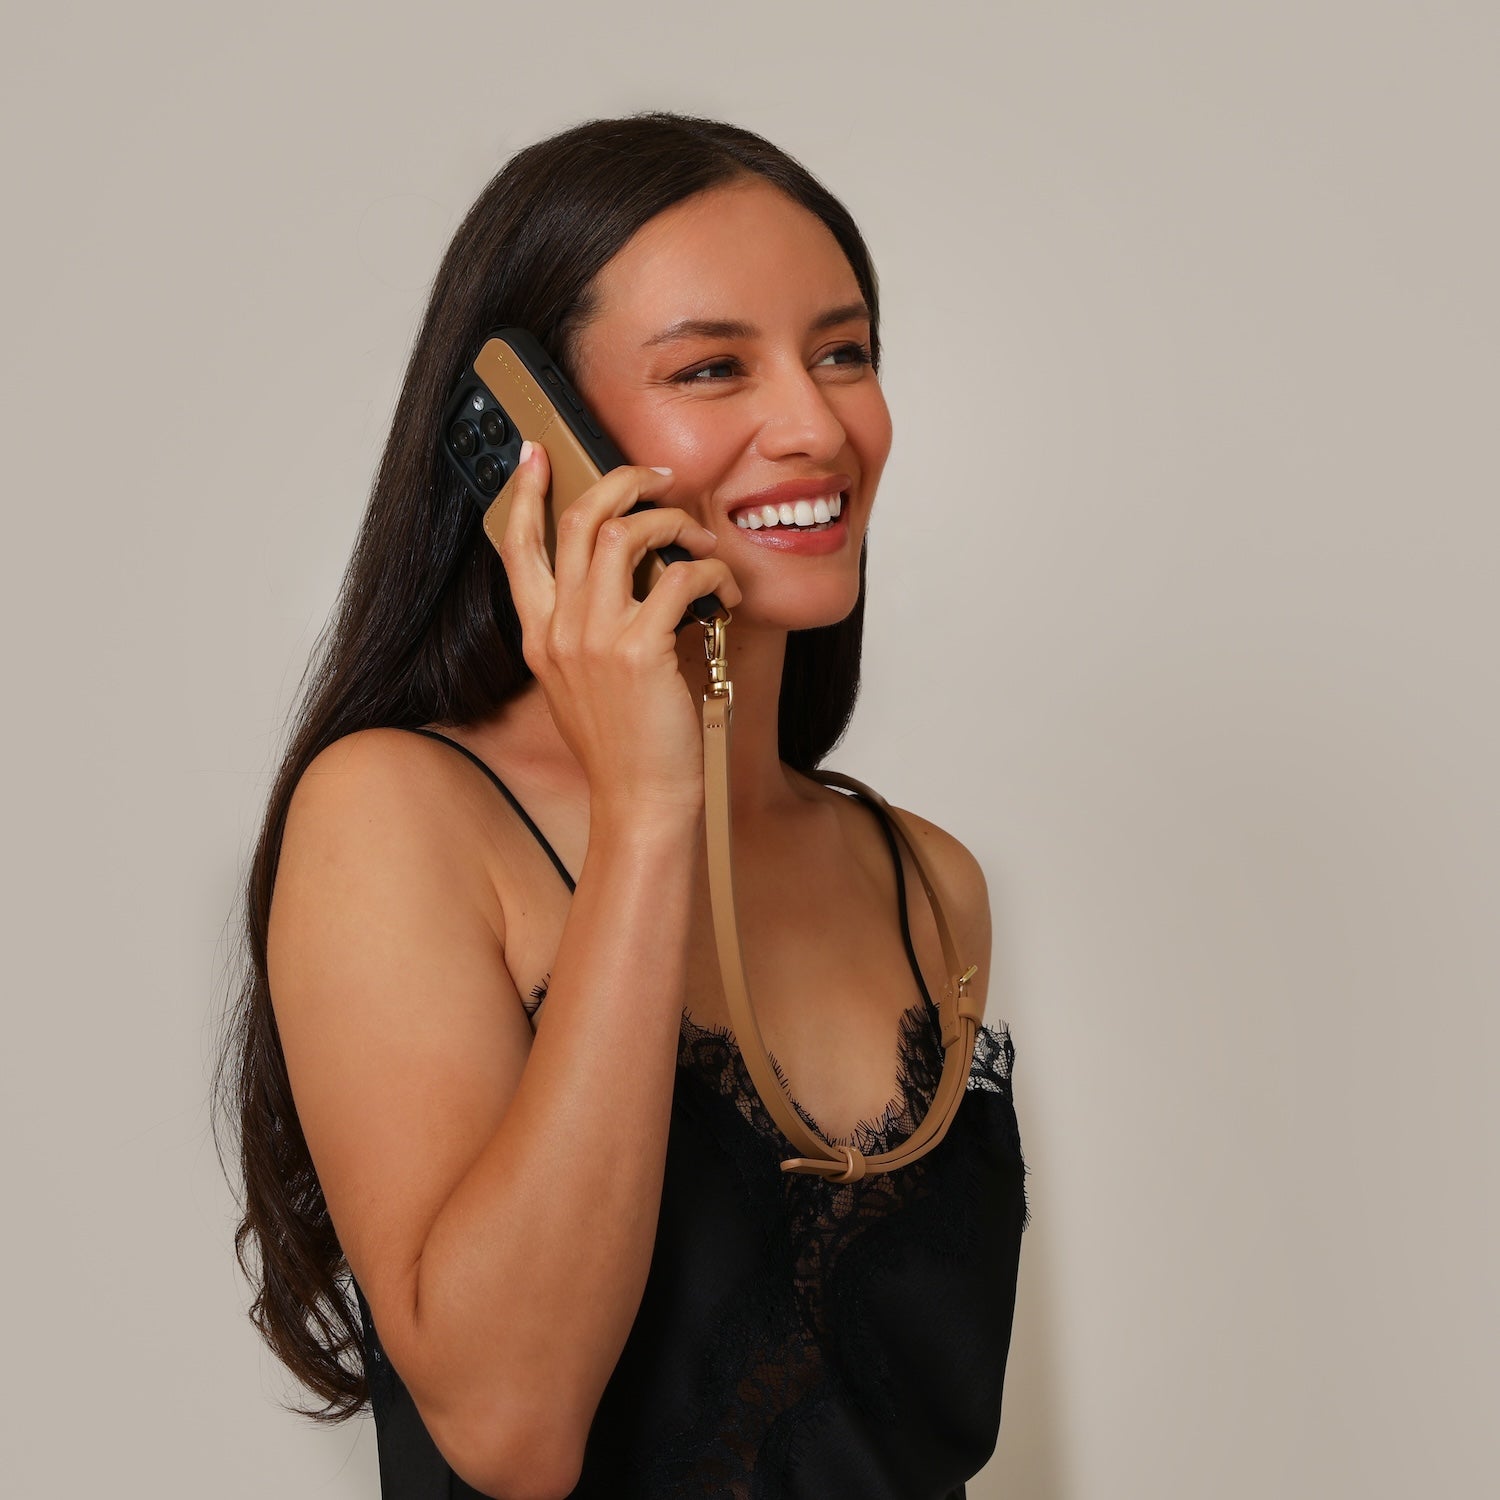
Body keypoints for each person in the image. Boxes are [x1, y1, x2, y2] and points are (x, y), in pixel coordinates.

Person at [221, 112, 1028, 1499]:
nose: (816, 425)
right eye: (713, 367)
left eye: (844, 353)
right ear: (540, 440)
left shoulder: (925, 882)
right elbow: (510, 1429)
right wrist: (654, 809)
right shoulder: (400, 817)